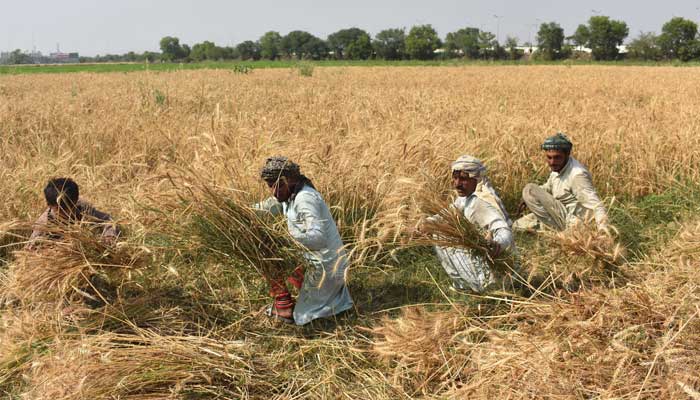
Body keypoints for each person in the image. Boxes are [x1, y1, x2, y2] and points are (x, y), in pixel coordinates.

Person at [256, 156, 353, 325]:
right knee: (264, 248)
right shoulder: (288, 196)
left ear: (291, 180)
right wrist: (232, 211)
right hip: (316, 261)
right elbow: (265, 208)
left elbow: (318, 239)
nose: (274, 190)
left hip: (326, 267)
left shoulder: (304, 198)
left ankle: (285, 307)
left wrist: (284, 240)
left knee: (269, 253)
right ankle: (295, 297)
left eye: (278, 184)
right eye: (270, 185)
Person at [432, 155, 516, 293]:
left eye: (464, 179)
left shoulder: (480, 201)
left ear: (477, 179)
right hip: (496, 270)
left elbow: (504, 230)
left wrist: (498, 244)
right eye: (455, 177)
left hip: (498, 274)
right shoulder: (466, 198)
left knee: (440, 234)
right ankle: (467, 285)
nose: (457, 183)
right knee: (438, 227)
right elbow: (447, 214)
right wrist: (425, 223)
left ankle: (468, 286)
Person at [513, 133, 609, 233]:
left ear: (567, 155)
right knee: (517, 226)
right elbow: (549, 187)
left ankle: (556, 233)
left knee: (530, 189)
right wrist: (527, 198)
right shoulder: (557, 169)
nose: (552, 162)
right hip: (558, 213)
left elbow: (596, 205)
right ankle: (551, 231)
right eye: (549, 157)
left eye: (557, 157)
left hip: (573, 221)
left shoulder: (577, 175)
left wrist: (603, 231)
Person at [28, 177, 120, 249]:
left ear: (76, 201)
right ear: (49, 205)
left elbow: (108, 220)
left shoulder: (83, 208)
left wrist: (109, 237)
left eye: (70, 207)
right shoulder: (43, 225)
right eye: (60, 209)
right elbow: (30, 251)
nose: (66, 212)